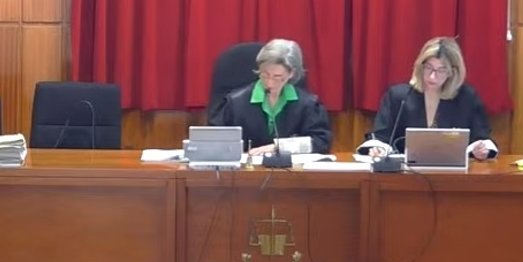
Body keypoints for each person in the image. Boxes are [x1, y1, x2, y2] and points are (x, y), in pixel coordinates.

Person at [359, 37, 498, 160]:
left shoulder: (467, 98)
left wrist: (480, 150)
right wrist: (378, 149)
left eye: (441, 70)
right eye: (428, 68)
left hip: (454, 174)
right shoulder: (399, 96)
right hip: (406, 174)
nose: (432, 76)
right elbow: (381, 137)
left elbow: (481, 138)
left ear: (452, 72)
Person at [211, 38, 332, 155]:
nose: (270, 83)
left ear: (291, 73)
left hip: (292, 168)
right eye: (265, 75)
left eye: (277, 77)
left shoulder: (308, 105)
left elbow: (321, 142)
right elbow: (214, 141)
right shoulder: (234, 103)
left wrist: (279, 147)